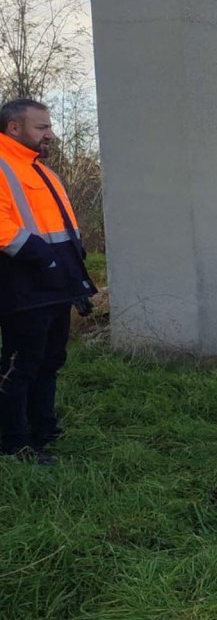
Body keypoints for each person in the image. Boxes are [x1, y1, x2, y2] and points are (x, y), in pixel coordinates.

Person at [0, 98, 97, 466]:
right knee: (21, 364)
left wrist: (75, 283)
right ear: (14, 128)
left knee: (50, 360)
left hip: (54, 286)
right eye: (42, 127)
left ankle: (43, 430)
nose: (50, 135)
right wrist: (42, 256)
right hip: (23, 288)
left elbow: (61, 233)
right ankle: (15, 444)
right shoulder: (4, 166)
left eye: (50, 127)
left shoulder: (40, 170)